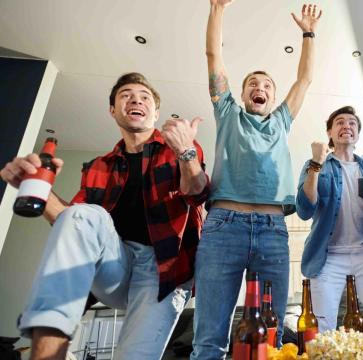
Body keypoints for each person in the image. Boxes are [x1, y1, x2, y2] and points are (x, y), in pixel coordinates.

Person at [0, 72, 209, 360]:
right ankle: (48, 350)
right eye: (126, 95)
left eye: (144, 97)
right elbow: (72, 221)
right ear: (113, 110)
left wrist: (186, 152)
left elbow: (197, 192)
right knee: (84, 214)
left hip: (162, 273)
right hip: (116, 263)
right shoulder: (100, 166)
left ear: (156, 112)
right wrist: (37, 189)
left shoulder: (180, 148)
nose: (136, 99)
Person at [191, 1, 322, 358]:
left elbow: (305, 79)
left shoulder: (281, 120)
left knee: (271, 340)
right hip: (223, 228)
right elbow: (212, 56)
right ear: (243, 93)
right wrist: (218, 8)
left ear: (274, 98)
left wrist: (308, 33)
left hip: (272, 230)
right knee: (209, 340)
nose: (258, 87)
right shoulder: (228, 112)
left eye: (265, 84)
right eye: (252, 83)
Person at [296, 106, 363, 337]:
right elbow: (306, 209)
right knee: (319, 332)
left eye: (352, 123)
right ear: (330, 132)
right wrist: (316, 163)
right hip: (327, 256)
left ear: (357, 133)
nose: (347, 125)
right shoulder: (315, 165)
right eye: (340, 122)